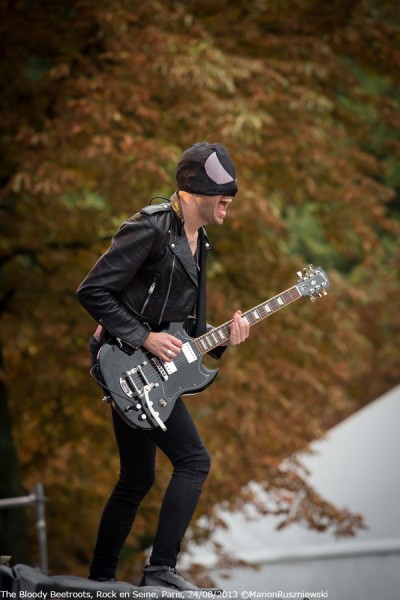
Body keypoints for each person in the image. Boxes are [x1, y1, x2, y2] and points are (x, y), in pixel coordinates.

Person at [77, 142, 250, 591]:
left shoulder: (201, 242)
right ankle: (160, 569)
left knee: (137, 477)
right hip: (126, 361)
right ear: (196, 190)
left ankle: (99, 581)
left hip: (152, 368)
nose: (229, 199)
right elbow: (93, 291)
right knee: (193, 460)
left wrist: (222, 339)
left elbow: (187, 327)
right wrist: (143, 337)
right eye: (222, 192)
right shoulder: (149, 228)